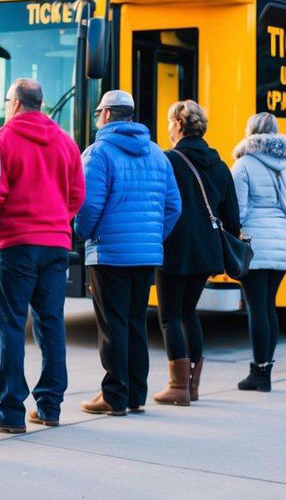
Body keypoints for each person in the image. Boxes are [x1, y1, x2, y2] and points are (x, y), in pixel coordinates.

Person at [0, 78, 84, 433]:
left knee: (11, 326)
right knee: (51, 323)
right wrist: (58, 223)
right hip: (56, 244)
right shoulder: (66, 142)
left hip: (16, 244)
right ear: (40, 103)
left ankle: (10, 412)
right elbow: (76, 195)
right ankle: (49, 407)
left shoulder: (2, 140)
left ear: (14, 103)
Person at [75, 90, 181, 417]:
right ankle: (136, 394)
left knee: (113, 325)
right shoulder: (158, 154)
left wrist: (86, 233)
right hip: (146, 255)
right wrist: (151, 238)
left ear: (106, 114)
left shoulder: (99, 153)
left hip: (109, 253)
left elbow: (89, 205)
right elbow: (173, 207)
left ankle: (114, 395)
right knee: (135, 323)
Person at [158, 100, 241, 405]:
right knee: (188, 312)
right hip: (206, 252)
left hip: (174, 247)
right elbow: (232, 217)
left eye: (170, 122)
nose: (168, 128)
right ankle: (192, 385)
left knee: (169, 316)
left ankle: (177, 386)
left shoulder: (169, 161)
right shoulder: (219, 165)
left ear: (179, 125)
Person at [231, 113, 286, 392]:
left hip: (255, 245)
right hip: (283, 245)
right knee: (268, 306)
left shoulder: (243, 165)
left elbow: (238, 211)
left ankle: (259, 373)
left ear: (250, 131)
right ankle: (266, 370)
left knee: (256, 308)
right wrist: (280, 223)